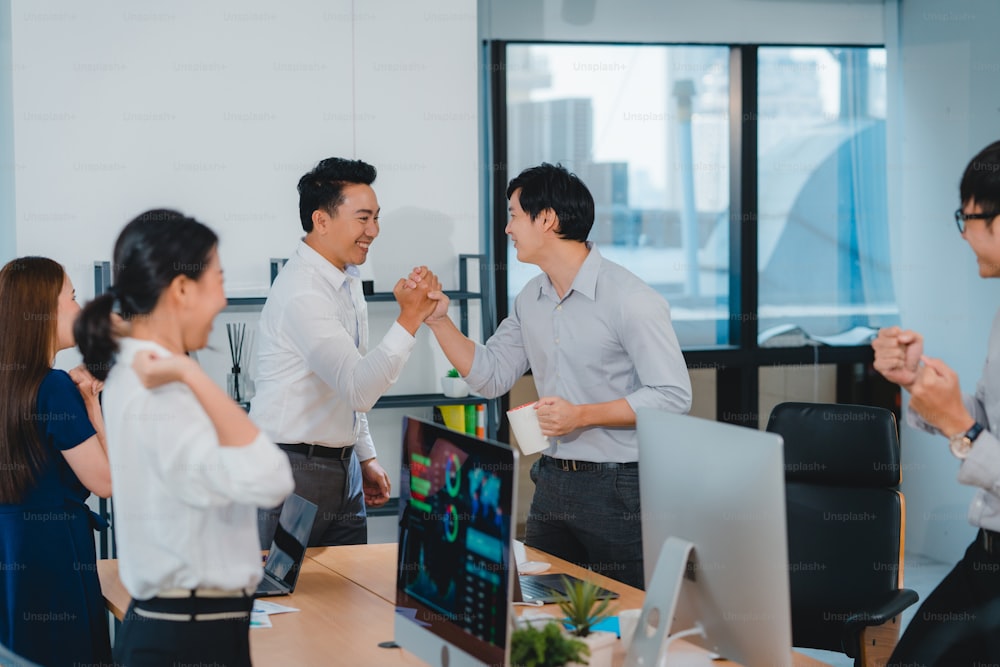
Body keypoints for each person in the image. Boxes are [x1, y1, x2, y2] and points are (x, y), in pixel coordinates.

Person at [417, 162, 692, 588]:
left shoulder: (632, 299)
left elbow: (673, 397)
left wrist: (581, 415)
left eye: (513, 215)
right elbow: (490, 376)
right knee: (539, 602)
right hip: (552, 479)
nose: (507, 229)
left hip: (622, 485)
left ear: (547, 219)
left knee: (633, 614)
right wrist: (438, 322)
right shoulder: (532, 297)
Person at [75, 210, 295, 666]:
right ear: (181, 289)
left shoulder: (138, 372)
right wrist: (191, 373)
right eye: (219, 279)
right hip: (188, 637)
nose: (223, 298)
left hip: (186, 628)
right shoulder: (164, 391)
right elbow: (272, 478)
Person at [251, 157, 441, 548]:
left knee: (348, 600)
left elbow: (349, 376)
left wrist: (364, 456)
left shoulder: (347, 278)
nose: (374, 230)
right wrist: (409, 318)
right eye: (363, 218)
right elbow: (358, 388)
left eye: (376, 218)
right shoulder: (303, 291)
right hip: (290, 471)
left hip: (343, 469)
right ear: (321, 220)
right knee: (281, 602)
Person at [874, 140, 1000, 665]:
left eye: (968, 217)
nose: (965, 234)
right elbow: (983, 419)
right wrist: (917, 381)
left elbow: (974, 430)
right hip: (988, 549)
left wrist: (962, 430)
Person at [0, 256, 113, 667]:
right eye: (73, 297)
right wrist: (93, 407)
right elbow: (105, 481)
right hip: (54, 553)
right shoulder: (53, 388)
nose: (80, 310)